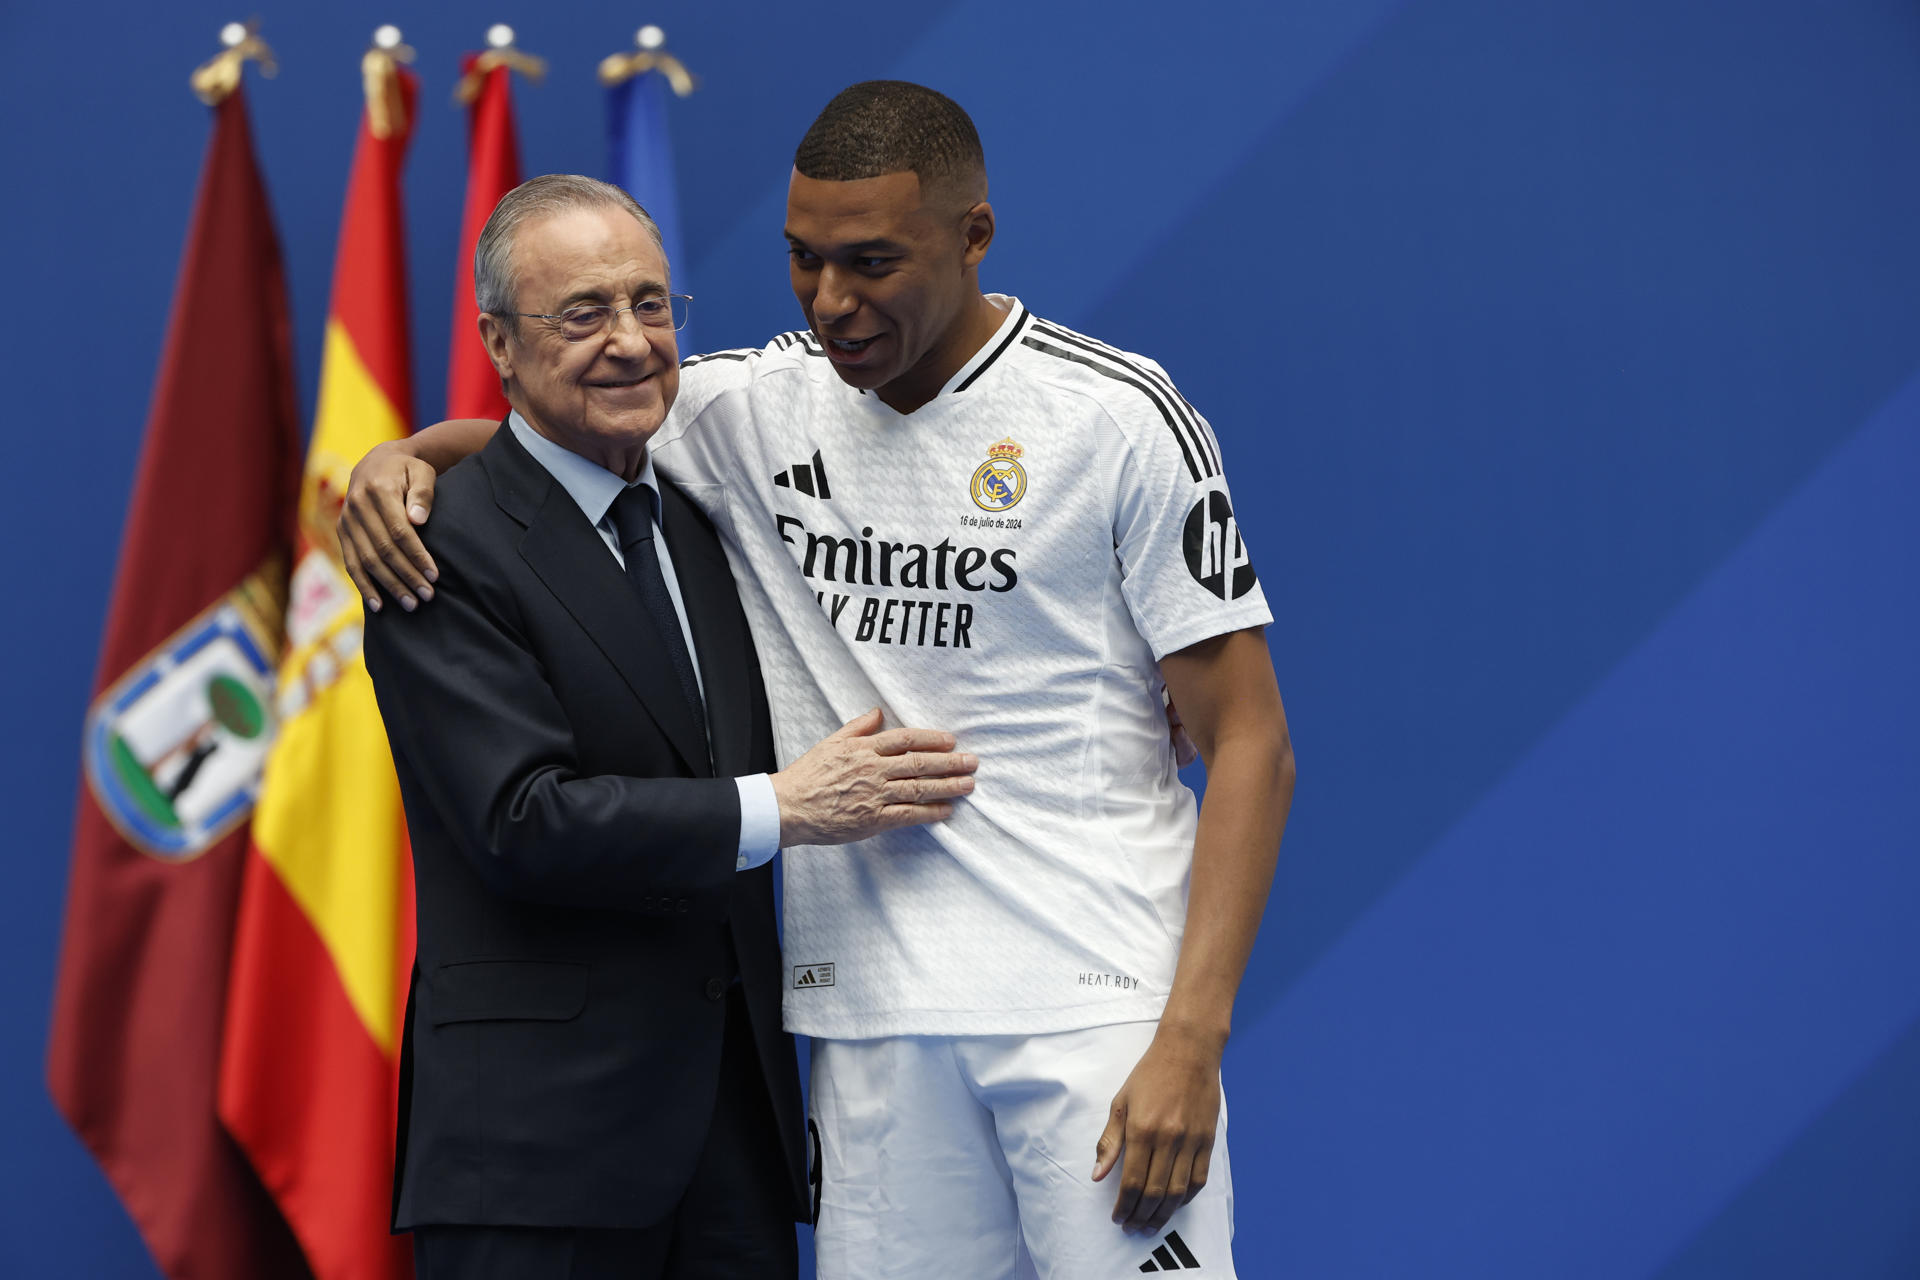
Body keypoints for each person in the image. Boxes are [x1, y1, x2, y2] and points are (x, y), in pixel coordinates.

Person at [345, 83, 1295, 1279]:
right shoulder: (750, 405)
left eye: (872, 262)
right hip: (867, 1020)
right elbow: (552, 436)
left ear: (973, 235)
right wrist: (399, 458)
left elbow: (1253, 742)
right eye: (803, 261)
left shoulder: (1114, 416)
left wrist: (1191, 1038)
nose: (833, 302)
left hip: (1092, 1008)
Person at [361, 173, 979, 1280]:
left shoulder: (706, 516)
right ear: (499, 341)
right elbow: (520, 821)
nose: (631, 342)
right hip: (539, 1159)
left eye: (651, 304)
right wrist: (782, 807)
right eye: (583, 313)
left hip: (735, 1146)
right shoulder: (436, 542)